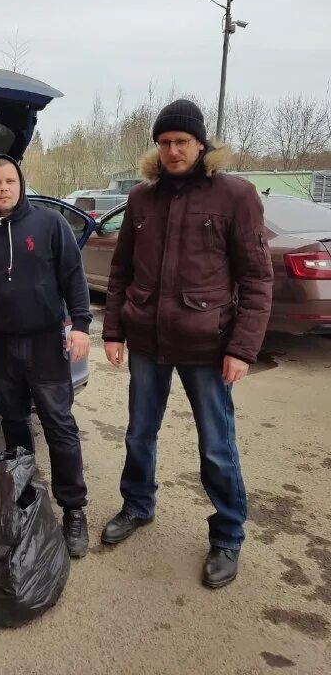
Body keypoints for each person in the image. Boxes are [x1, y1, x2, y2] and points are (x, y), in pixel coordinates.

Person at [101, 99, 273, 587]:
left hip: (208, 346)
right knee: (139, 434)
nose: (172, 150)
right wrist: (114, 331)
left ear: (201, 144)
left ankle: (227, 535)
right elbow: (120, 273)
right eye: (164, 142)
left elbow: (258, 280)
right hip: (147, 343)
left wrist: (241, 349)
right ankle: (137, 506)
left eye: (181, 142)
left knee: (217, 446)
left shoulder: (235, 196)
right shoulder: (141, 199)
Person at [0, 154, 92, 558]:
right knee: (15, 426)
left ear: (21, 185)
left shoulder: (49, 224)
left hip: (46, 342)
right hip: (1, 344)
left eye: (10, 181)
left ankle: (74, 510)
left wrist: (82, 326)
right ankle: (27, 496)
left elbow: (73, 275)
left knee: (59, 424)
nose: (3, 188)